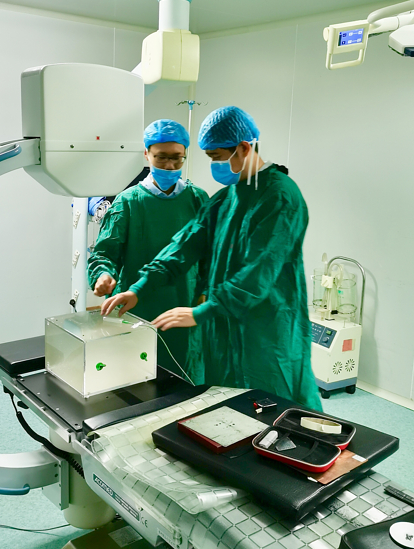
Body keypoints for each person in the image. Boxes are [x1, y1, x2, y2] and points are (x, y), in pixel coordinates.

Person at [101, 106, 322, 411]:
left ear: (243, 148)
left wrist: (204, 310)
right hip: (222, 329)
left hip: (266, 330)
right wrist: (139, 288)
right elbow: (182, 248)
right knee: (226, 407)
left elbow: (258, 273)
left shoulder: (280, 197)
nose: (215, 165)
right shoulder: (224, 199)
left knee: (274, 410)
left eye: (217, 157)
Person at [88, 119, 208, 378]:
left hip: (183, 304)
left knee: (183, 378)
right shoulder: (128, 201)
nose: (170, 166)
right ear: (146, 154)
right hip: (136, 307)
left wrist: (205, 293)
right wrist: (103, 275)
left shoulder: (198, 199)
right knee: (134, 376)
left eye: (177, 158)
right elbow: (104, 252)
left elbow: (210, 254)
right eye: (161, 157)